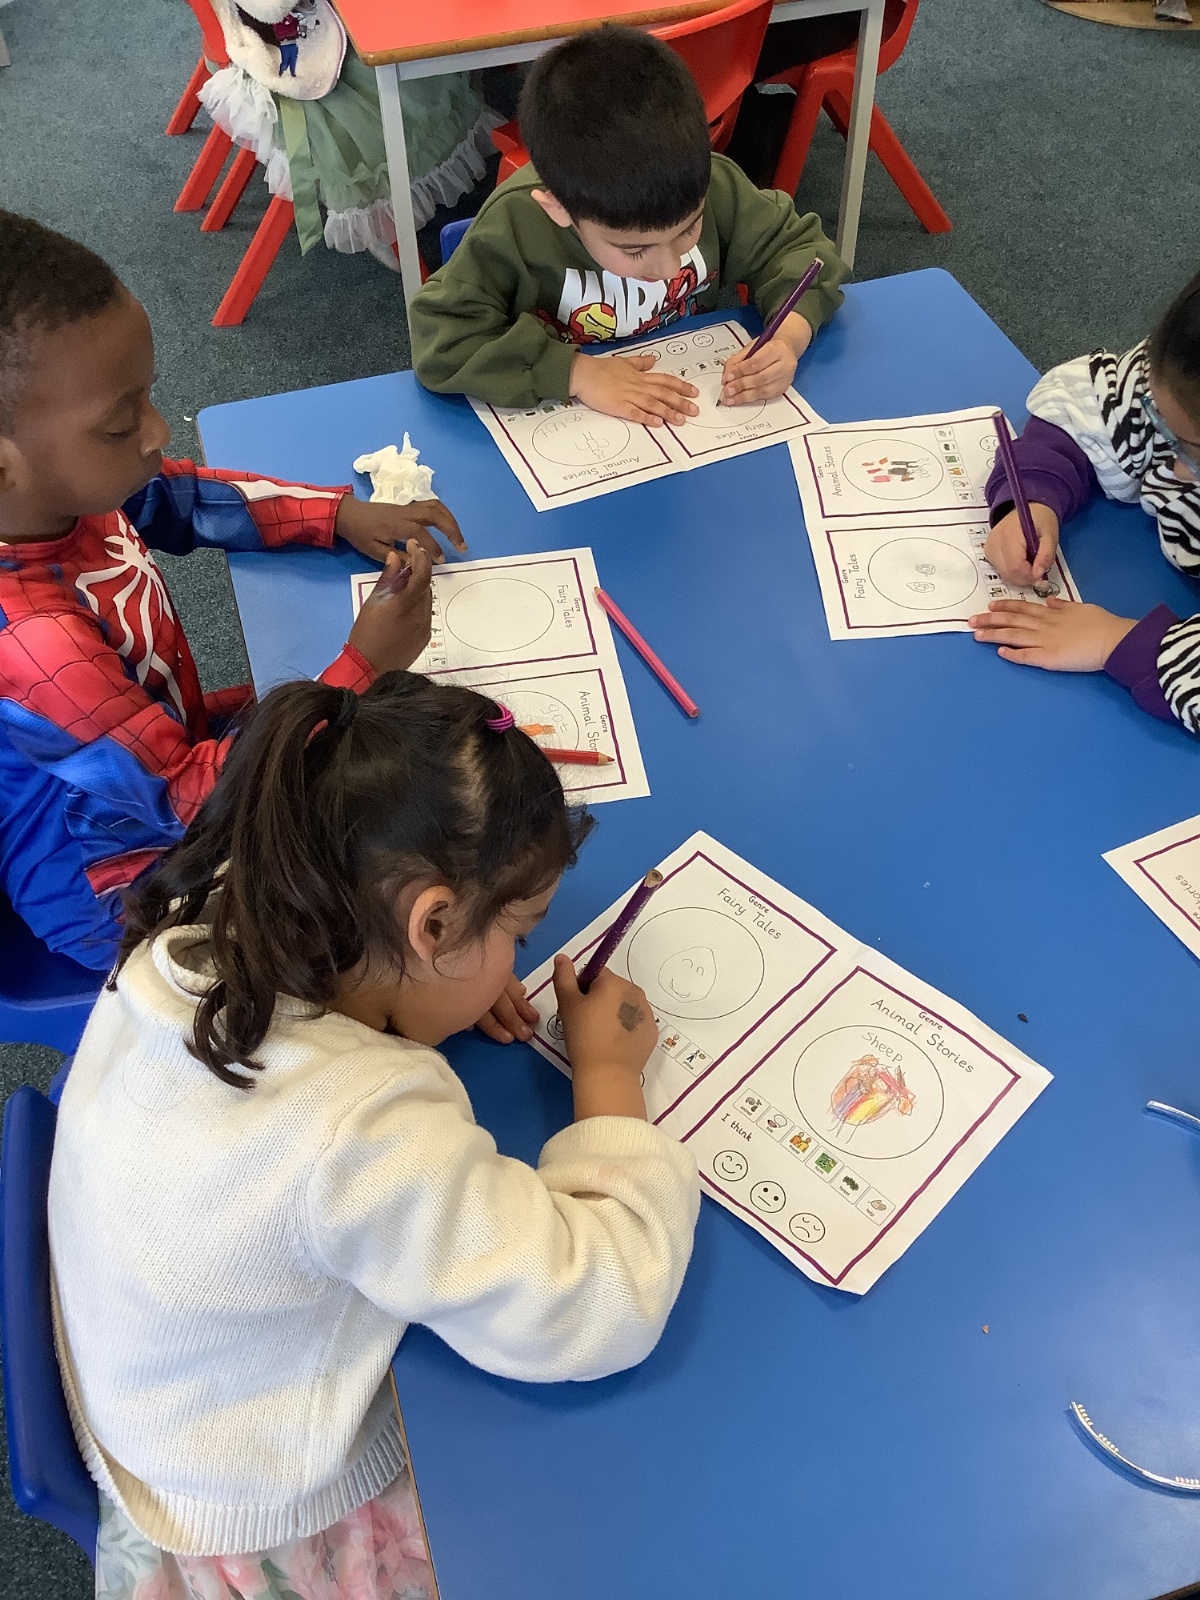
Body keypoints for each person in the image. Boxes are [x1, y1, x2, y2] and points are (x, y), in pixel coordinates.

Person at [49, 671, 699, 1600]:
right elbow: (598, 1305)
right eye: (516, 936)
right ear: (433, 924)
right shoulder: (359, 1131)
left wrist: (434, 988)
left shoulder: (216, 911)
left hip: (143, 1382)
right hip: (237, 1492)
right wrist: (607, 1079)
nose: (516, 964)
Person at [0, 210, 465, 970]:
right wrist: (363, 669)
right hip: (124, 889)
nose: (157, 431)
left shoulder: (61, 495)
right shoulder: (32, 641)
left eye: (148, 398)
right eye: (119, 426)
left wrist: (338, 514)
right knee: (388, 915)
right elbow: (187, 802)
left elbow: (180, 496)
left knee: (371, 746)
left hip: (163, 754)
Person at [410, 25, 849, 425]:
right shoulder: (514, 227)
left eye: (689, 229)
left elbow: (802, 253)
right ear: (559, 209)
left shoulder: (712, 185)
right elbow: (442, 340)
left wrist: (788, 336)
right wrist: (575, 372)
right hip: (576, 430)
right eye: (635, 250)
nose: (669, 267)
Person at [970, 271, 1200, 733]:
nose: (1174, 469)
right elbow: (1093, 408)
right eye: (1166, 429)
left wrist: (1119, 642)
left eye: (1193, 452)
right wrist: (1033, 497)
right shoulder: (1181, 377)